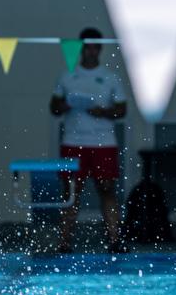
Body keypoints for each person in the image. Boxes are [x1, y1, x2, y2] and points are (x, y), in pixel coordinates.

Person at [49, 27, 130, 254]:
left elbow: (122, 109)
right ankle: (64, 243)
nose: (92, 50)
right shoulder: (67, 76)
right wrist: (66, 105)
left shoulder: (110, 78)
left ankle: (114, 240)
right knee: (70, 193)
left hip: (104, 143)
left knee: (107, 190)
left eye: (96, 46)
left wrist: (102, 112)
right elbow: (53, 107)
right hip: (72, 142)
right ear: (81, 48)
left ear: (100, 49)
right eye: (88, 46)